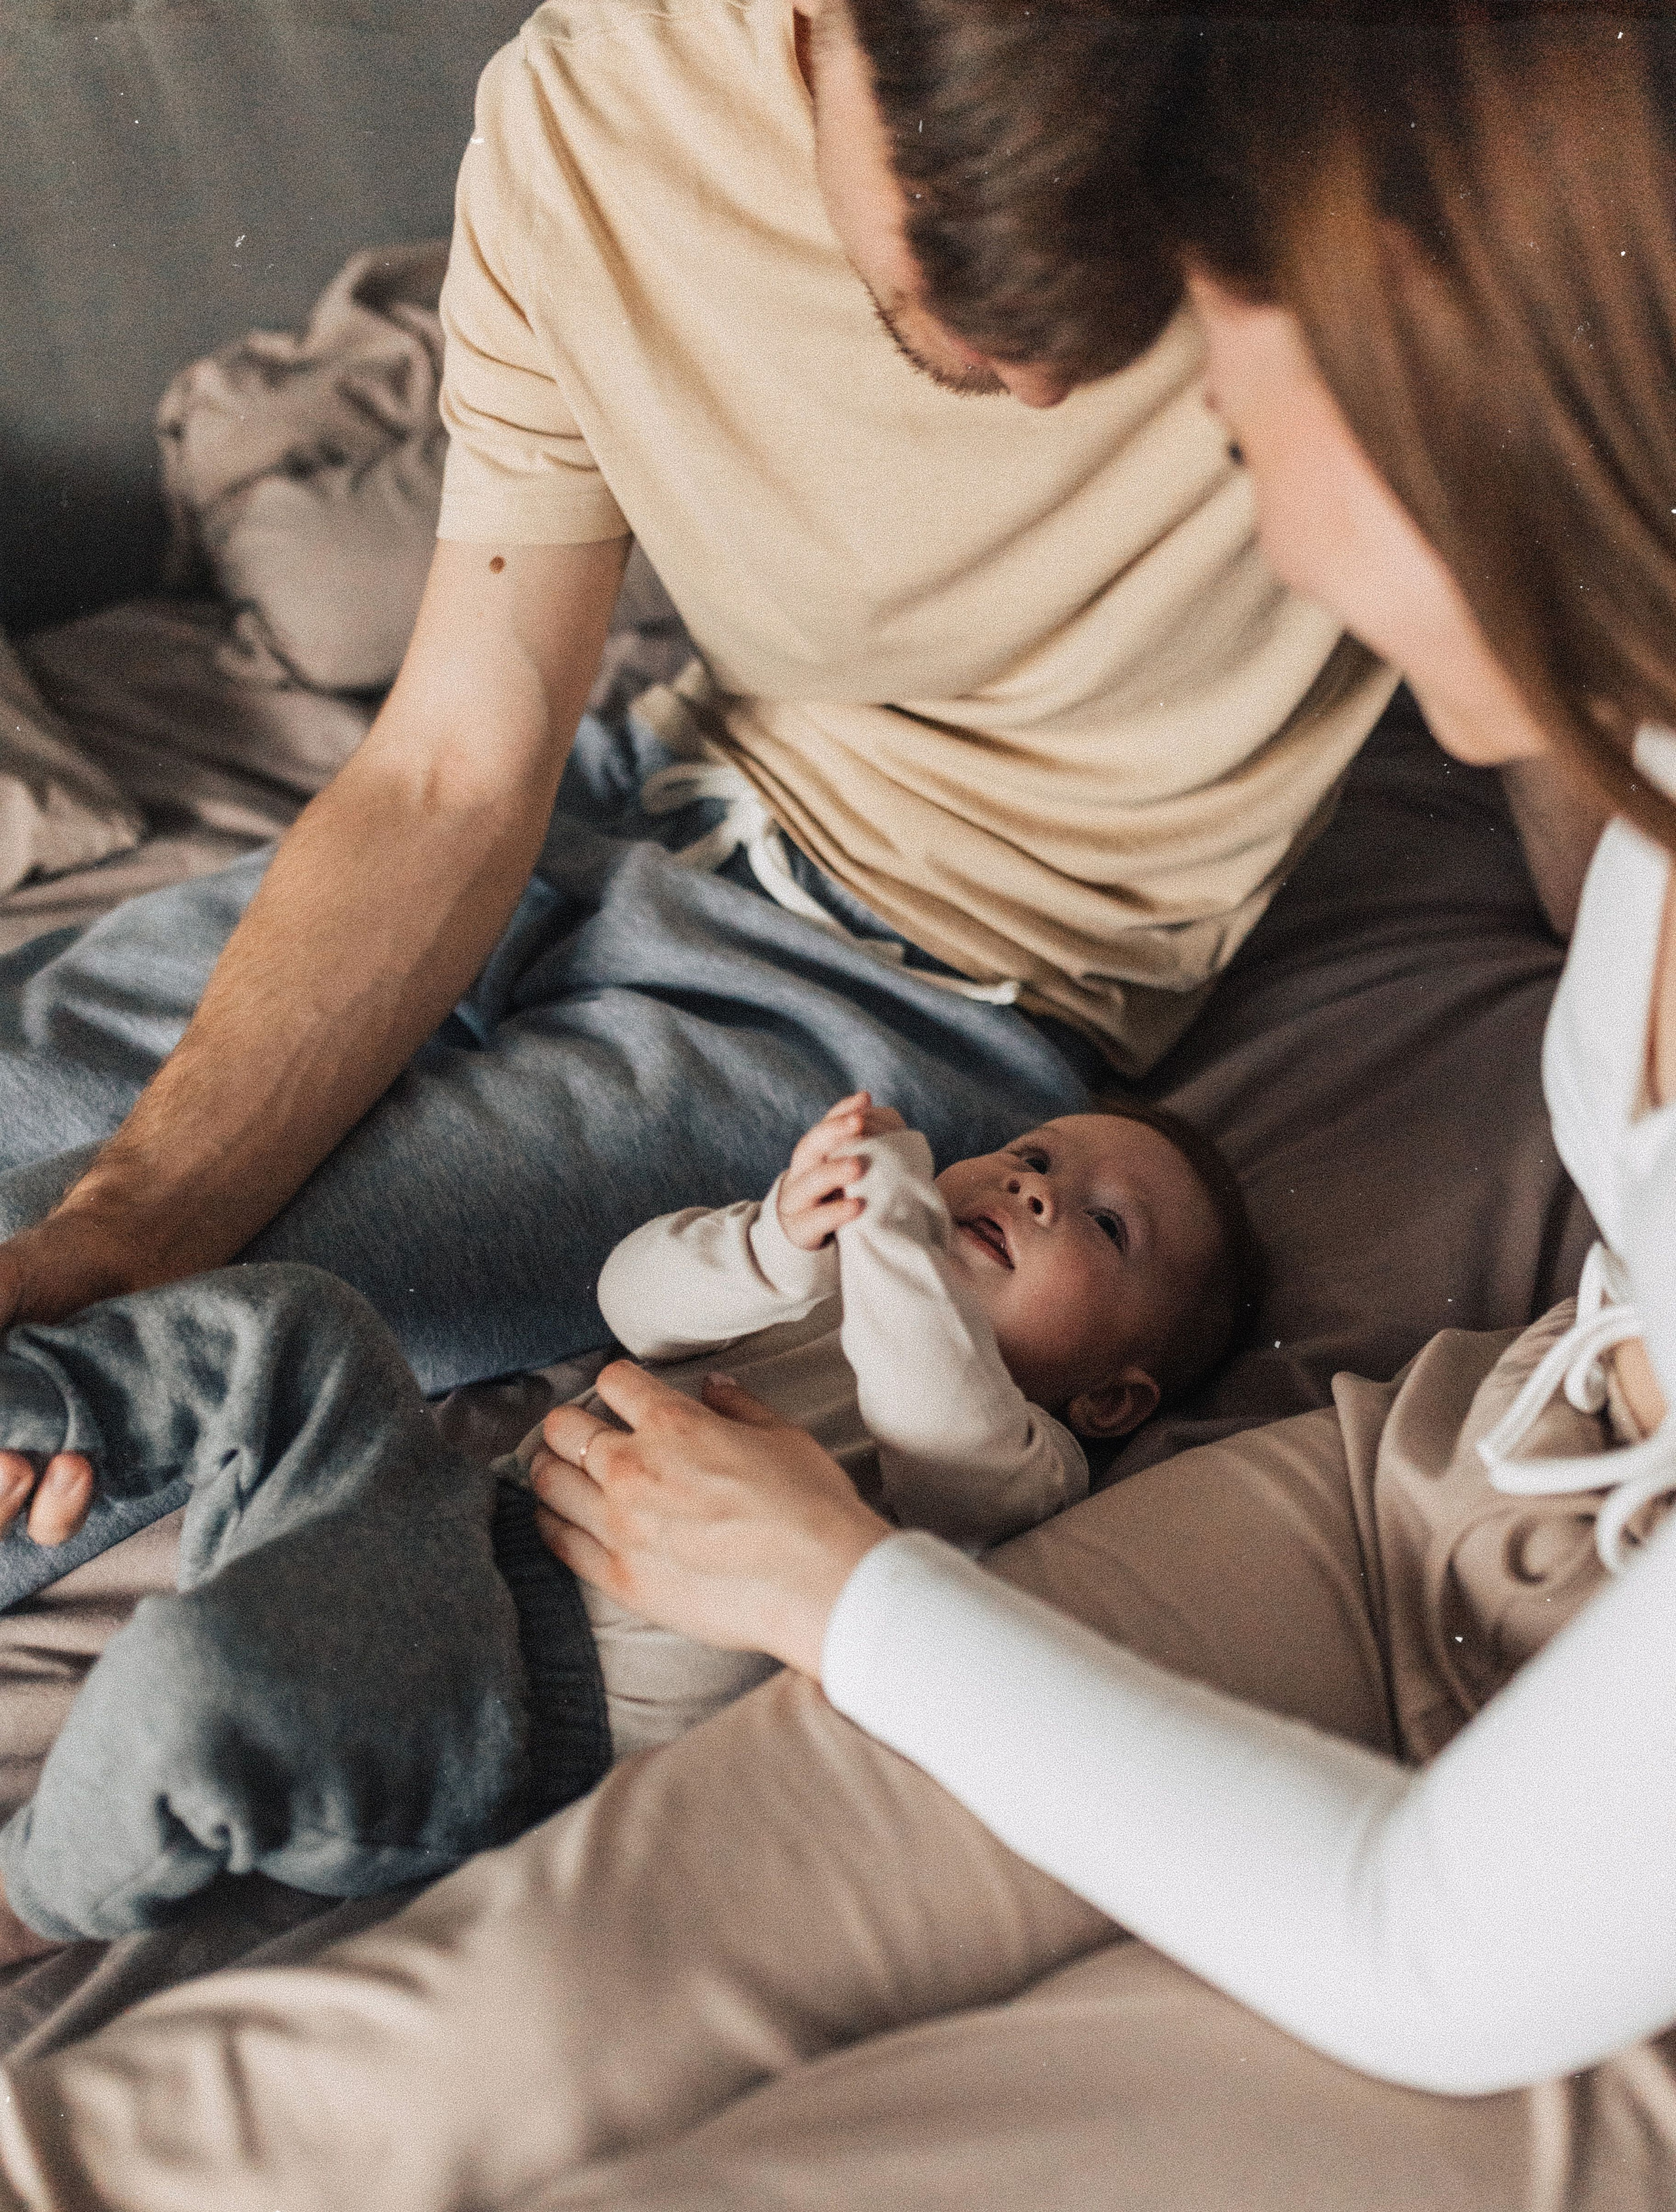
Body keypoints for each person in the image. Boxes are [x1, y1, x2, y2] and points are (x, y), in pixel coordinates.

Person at [2, 16, 1673, 2212]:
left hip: (1566, 1873)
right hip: (1466, 1467)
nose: (1200, 443)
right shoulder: (1624, 748)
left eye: (1243, 390)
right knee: (374, 2063)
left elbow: (1436, 1948)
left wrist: (842, 1588)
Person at [0, 0, 1401, 1602]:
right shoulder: (597, 117)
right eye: (960, 238)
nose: (1038, 379)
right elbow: (455, 766)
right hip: (623, 791)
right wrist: (119, 1216)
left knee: (223, 1315)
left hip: (922, 983)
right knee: (45, 1107)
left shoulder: (1383, 140)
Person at [0, 1091, 1250, 1953]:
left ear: (1112, 1398)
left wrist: (896, 1232)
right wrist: (773, 1240)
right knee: (299, 1320)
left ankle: (27, 1897)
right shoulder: (821, 1285)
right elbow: (633, 1296)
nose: (1035, 1189)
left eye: (1105, 1224)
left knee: (198, 1682)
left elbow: (932, 1404)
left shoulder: (1026, 1459)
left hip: (500, 1695)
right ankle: (29, 1414)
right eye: (1035, 1156)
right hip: (439, 1512)